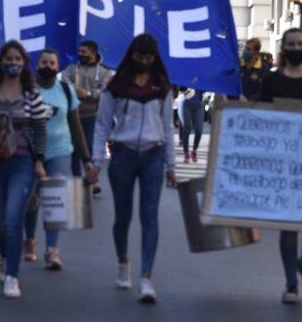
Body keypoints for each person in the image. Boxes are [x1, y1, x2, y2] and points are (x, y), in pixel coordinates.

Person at [90, 34, 177, 303]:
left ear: (155, 58)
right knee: (123, 216)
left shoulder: (162, 87)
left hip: (154, 153)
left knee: (149, 216)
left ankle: (146, 277)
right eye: (140, 56)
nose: (144, 61)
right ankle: (123, 261)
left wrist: (172, 164)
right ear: (132, 56)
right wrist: (95, 161)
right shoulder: (116, 86)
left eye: (149, 57)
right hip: (123, 154)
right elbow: (102, 125)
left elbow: (168, 126)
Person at [255, 27, 302, 304]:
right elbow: (259, 116)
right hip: (283, 163)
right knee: (288, 225)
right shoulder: (272, 80)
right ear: (284, 48)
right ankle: (290, 284)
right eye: (291, 44)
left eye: (300, 43)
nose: (296, 47)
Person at [0, 40, 48, 299]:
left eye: (18, 59)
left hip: (22, 162)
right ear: (1, 62)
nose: (13, 63)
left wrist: (39, 161)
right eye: (10, 58)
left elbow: (40, 129)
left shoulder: (31, 94)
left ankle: (12, 276)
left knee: (13, 217)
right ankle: (5, 255)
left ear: (24, 64)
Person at [23, 49, 98, 268]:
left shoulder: (65, 90)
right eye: (44, 62)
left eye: (52, 63)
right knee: (32, 200)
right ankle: (29, 239)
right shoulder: (28, 90)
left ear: (57, 67)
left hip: (60, 151)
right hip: (30, 152)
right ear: (37, 65)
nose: (48, 66)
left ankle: (52, 250)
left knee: (55, 200)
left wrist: (86, 159)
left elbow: (76, 126)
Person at [62, 41, 113, 183]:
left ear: (93, 53)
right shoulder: (72, 69)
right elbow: (64, 82)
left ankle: (91, 177)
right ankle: (77, 179)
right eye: (79, 51)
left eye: (84, 52)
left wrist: (89, 94)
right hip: (73, 116)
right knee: (74, 150)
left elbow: (104, 90)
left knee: (90, 147)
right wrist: (75, 90)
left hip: (92, 116)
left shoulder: (104, 72)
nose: (80, 54)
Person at [178, 87, 204, 163]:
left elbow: (206, 86)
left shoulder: (201, 77)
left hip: (199, 105)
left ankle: (194, 150)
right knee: (187, 129)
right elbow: (180, 88)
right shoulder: (186, 76)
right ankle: (186, 153)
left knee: (199, 130)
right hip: (186, 104)